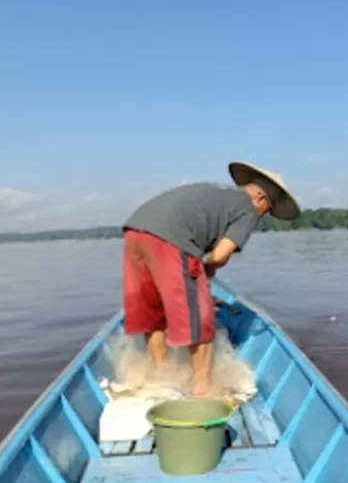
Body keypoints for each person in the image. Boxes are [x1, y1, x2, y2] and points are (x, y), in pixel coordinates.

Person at [121, 161, 301, 398]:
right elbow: (220, 254)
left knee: (153, 312)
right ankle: (203, 388)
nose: (263, 215)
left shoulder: (218, 193)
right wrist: (204, 277)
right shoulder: (248, 208)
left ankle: (161, 375)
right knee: (202, 318)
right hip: (172, 239)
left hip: (135, 231)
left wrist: (196, 279)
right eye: (267, 210)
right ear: (262, 200)